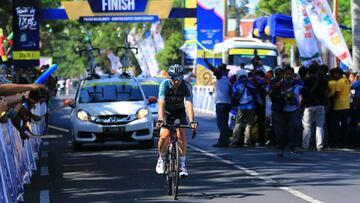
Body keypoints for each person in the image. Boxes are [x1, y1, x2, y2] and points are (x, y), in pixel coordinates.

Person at [155, 64, 198, 178]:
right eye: (173, 78)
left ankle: (182, 165)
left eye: (179, 78)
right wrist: (160, 119)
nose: (176, 81)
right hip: (166, 112)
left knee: (181, 134)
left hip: (179, 112)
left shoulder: (186, 85)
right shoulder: (164, 85)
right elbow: (161, 103)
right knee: (164, 135)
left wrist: (192, 121)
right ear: (169, 77)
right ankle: (162, 158)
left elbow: (188, 104)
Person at [270, 67, 303, 157]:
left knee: (296, 126)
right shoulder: (276, 83)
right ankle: (281, 148)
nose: (289, 76)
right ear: (284, 74)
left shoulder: (298, 83)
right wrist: (282, 96)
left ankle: (293, 146)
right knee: (280, 131)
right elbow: (272, 96)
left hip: (293, 109)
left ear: (293, 75)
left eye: (291, 74)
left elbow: (305, 93)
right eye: (287, 74)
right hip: (280, 110)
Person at [203, 58, 232, 147]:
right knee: (225, 123)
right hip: (227, 103)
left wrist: (207, 62)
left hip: (221, 103)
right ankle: (226, 139)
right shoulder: (228, 79)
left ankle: (222, 141)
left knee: (221, 123)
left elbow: (213, 69)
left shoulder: (221, 77)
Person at [300, 64, 328, 151]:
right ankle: (319, 145)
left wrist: (301, 105)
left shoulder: (304, 81)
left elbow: (303, 95)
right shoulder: (323, 81)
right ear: (317, 71)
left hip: (308, 106)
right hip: (320, 105)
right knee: (319, 126)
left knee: (307, 126)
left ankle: (305, 145)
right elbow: (326, 92)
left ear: (308, 71)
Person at [229, 69, 255, 147]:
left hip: (241, 106)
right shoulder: (251, 82)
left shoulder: (236, 83)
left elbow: (233, 94)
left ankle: (235, 141)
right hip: (251, 106)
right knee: (249, 124)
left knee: (238, 123)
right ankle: (247, 141)